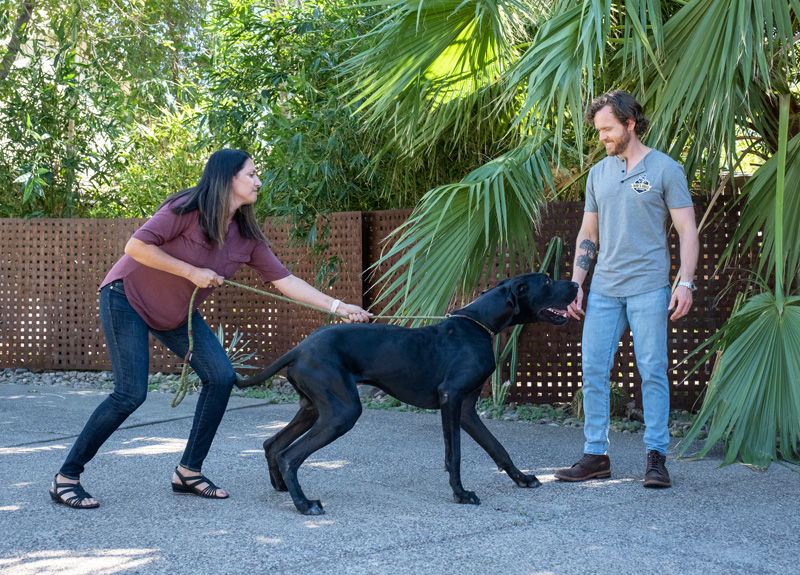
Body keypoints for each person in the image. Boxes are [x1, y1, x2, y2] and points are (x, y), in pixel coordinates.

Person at [49, 149, 371, 508]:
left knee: (220, 377)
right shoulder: (186, 208)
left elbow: (286, 280)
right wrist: (191, 272)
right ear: (227, 178)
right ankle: (66, 476)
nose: (258, 181)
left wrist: (339, 307)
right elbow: (135, 246)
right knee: (130, 393)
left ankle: (188, 471)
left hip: (175, 315)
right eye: (251, 174)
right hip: (127, 298)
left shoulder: (246, 236)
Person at [555, 90, 699, 488]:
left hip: (649, 287)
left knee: (652, 371)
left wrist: (684, 282)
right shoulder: (599, 173)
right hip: (603, 289)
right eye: (598, 130)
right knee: (593, 371)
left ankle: (656, 457)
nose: (601, 137)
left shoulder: (666, 169)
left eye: (607, 129)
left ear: (630, 124)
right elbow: (588, 232)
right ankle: (595, 455)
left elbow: (688, 230)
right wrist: (576, 286)